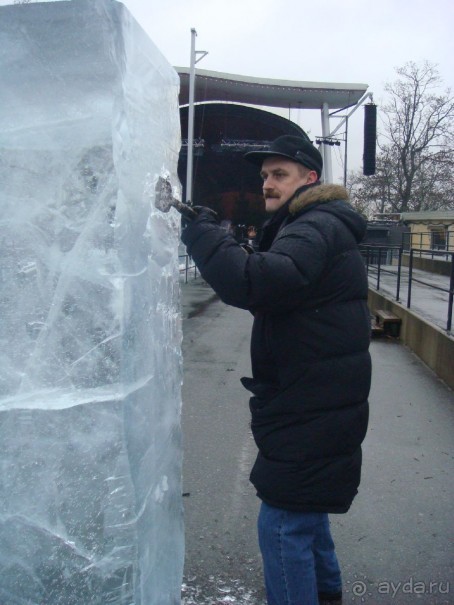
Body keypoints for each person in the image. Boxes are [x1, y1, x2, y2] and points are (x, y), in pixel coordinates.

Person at [181, 134, 371, 605]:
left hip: (310, 404)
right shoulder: (312, 224)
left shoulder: (314, 226)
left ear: (310, 178)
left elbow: (257, 283)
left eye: (279, 174)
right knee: (307, 515)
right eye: (265, 175)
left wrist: (204, 236)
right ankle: (327, 595)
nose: (267, 183)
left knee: (283, 522)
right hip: (319, 397)